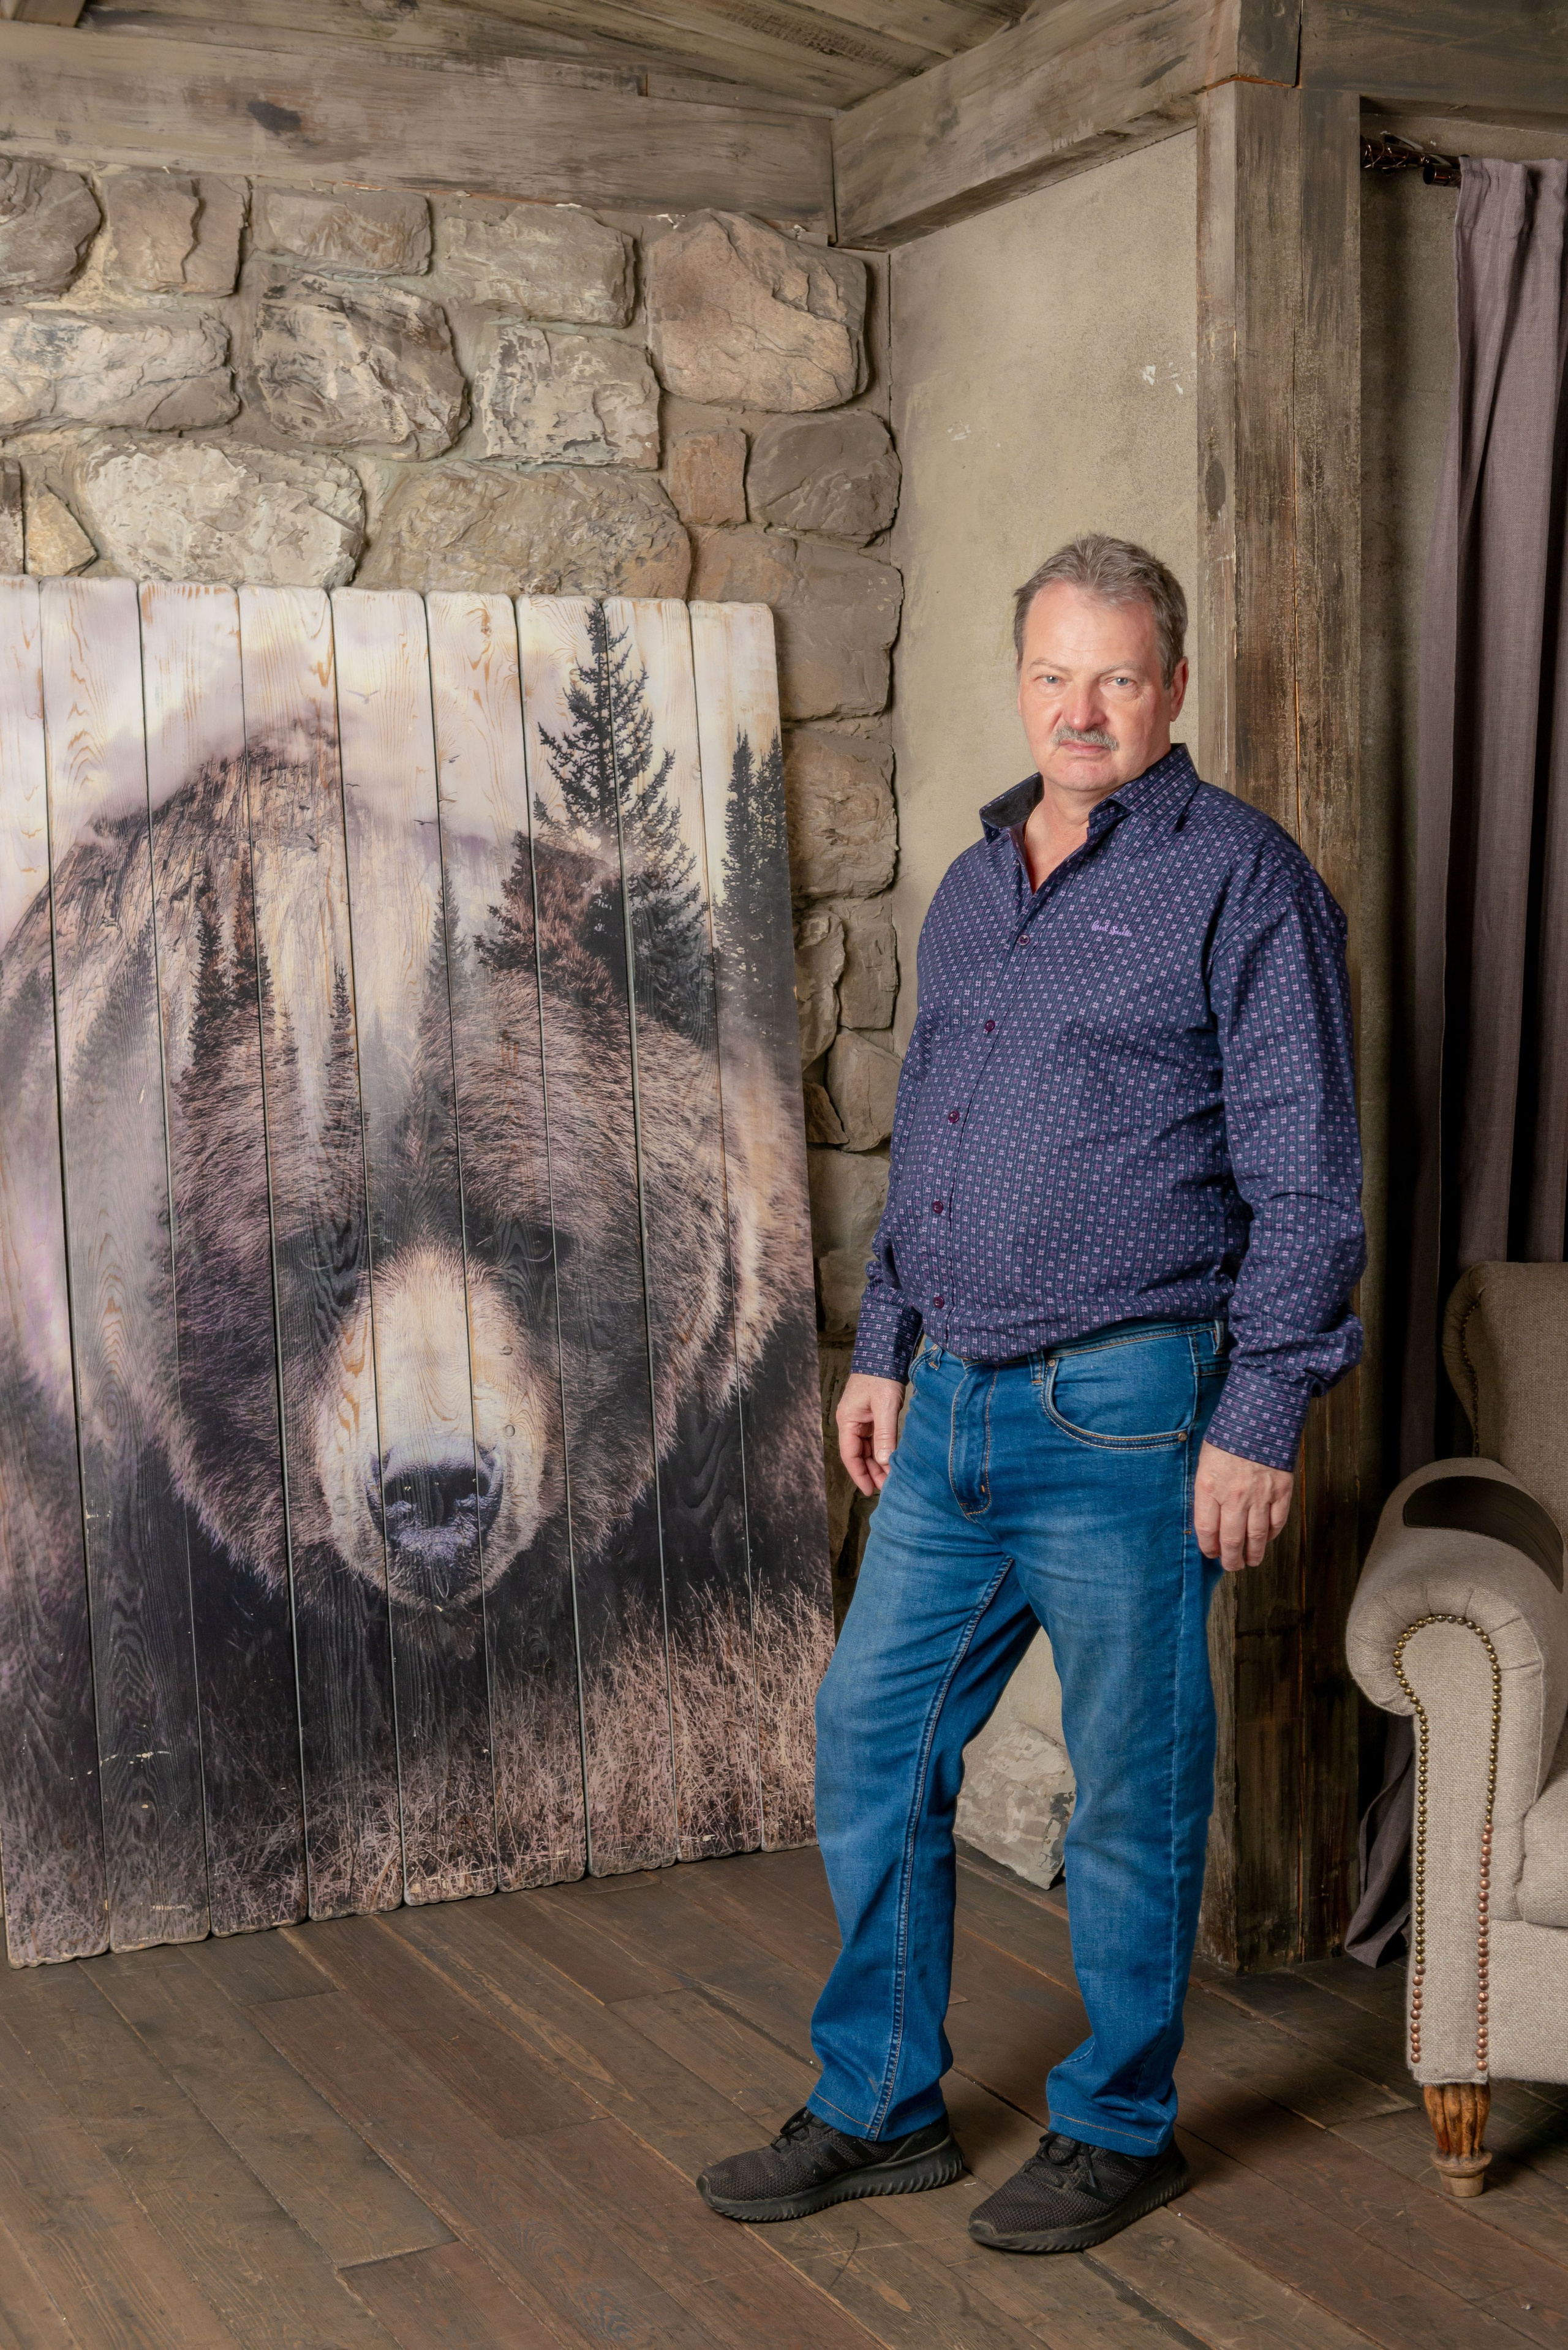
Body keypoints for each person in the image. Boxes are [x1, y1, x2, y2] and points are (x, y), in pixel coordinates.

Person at [696, 532, 1365, 2254]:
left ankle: (1123, 2127)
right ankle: (881, 2108)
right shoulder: (981, 882)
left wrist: (1263, 1408)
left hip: (1135, 1409)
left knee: (1132, 1788)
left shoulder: (1247, 882)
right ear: (1024, 683)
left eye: (1118, 677)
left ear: (1176, 689)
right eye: (1056, 675)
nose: (1083, 708)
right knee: (870, 1735)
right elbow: (940, 1137)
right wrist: (882, 1346)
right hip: (952, 1410)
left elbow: (1309, 1182)